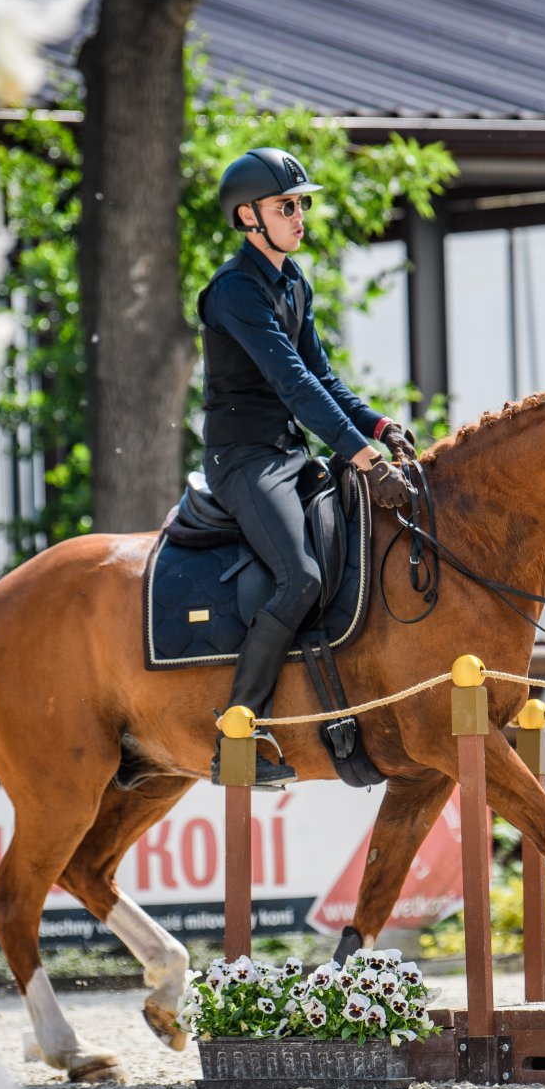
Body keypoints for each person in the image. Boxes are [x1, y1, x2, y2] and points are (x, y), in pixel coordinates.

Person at [197, 147, 416, 786]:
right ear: (248, 217)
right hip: (242, 460)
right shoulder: (234, 292)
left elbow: (323, 377)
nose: (299, 215)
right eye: (285, 206)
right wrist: (361, 456)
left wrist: (377, 425)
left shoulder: (294, 282)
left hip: (291, 454)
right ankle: (236, 734)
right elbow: (292, 385)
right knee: (300, 576)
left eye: (302, 204)